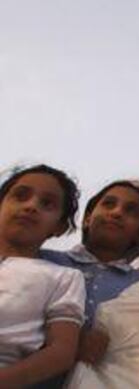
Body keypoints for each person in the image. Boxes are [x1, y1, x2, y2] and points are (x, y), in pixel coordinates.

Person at [42, 179, 139, 365]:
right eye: (109, 204)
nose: (117, 213)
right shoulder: (44, 260)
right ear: (87, 219)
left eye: (131, 211)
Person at [0, 165, 85, 387]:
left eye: (47, 204)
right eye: (20, 196)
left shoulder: (64, 277)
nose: (31, 206)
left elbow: (60, 352)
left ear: (59, 226)